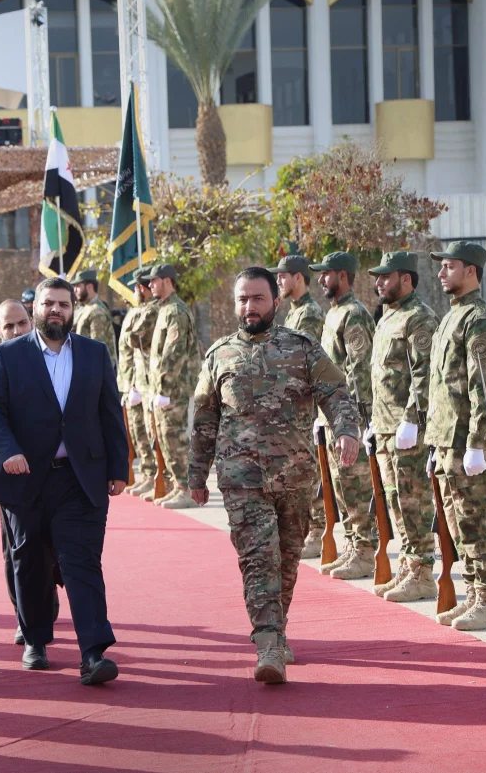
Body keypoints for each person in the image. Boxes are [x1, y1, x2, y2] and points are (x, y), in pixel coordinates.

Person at [189, 267, 360, 683]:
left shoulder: (302, 348)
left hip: (295, 477)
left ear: (276, 302)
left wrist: (346, 429)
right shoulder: (220, 355)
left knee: (286, 561)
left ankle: (277, 632)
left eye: (258, 298)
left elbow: (336, 393)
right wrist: (197, 474)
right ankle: (268, 644)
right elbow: (204, 419)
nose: (249, 307)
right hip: (241, 480)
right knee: (258, 560)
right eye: (242, 299)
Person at [0, 278, 128, 684]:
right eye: (49, 303)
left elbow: (110, 413)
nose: (56, 310)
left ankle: (93, 653)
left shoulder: (94, 353)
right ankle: (36, 638)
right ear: (36, 309)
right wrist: (8, 451)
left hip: (80, 480)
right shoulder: (7, 355)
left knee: (82, 563)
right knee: (31, 561)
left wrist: (119, 469)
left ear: (72, 309)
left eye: (63, 303)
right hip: (26, 478)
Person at [426, 241, 486, 630]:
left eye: (450, 266)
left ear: (471, 271)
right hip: (447, 440)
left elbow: (485, 389)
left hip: (467, 443)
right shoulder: (451, 317)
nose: (442, 273)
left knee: (477, 522)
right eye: (441, 266)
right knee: (459, 525)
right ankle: (474, 592)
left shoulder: (479, 320)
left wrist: (478, 443)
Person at [0, 300, 58, 644]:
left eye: (22, 323)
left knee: (51, 545)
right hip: (11, 478)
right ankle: (25, 615)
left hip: (55, 473)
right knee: (16, 549)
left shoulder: (51, 361)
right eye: (9, 326)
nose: (17, 331)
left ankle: (43, 604)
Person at [368, 251, 440, 602]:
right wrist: (374, 420)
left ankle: (422, 572)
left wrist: (412, 418)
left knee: (414, 501)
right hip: (385, 425)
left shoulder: (419, 317)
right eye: (378, 277)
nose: (379, 282)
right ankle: (408, 565)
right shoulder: (388, 316)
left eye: (386, 276)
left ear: (406, 279)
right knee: (396, 501)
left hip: (407, 428)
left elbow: (424, 373)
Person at [309, 249, 378, 580]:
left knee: (357, 487)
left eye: (327, 273)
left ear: (343, 275)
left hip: (349, 418)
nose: (321, 279)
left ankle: (365, 551)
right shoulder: (334, 313)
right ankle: (352, 545)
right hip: (332, 416)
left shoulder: (354, 314)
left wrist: (351, 422)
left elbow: (358, 371)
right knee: (341, 487)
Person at [268, 254, 327, 558]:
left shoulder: (310, 314)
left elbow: (303, 362)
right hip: (290, 405)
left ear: (299, 278)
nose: (279, 281)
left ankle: (318, 531)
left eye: (283, 276)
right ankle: (306, 529)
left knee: (309, 471)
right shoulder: (294, 313)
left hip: (305, 405)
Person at [147, 264, 201, 509]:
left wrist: (164, 389)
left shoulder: (176, 311)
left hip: (175, 388)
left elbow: (174, 353)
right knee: (165, 438)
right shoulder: (165, 309)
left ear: (167, 281)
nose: (150, 285)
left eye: (154, 280)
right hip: (165, 388)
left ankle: (187, 489)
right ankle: (178, 485)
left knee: (175, 437)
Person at [119, 269, 158, 495]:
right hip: (135, 380)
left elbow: (134, 340)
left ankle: (156, 476)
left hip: (147, 380)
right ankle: (147, 473)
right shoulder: (138, 311)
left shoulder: (151, 310)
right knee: (137, 431)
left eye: (134, 287)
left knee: (150, 432)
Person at [72, 270, 117, 368]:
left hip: (93, 368)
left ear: (89, 287)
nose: (75, 290)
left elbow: (97, 347)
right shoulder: (85, 308)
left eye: (78, 286)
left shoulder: (97, 311)